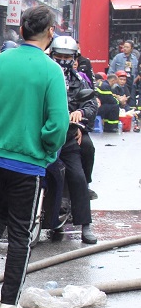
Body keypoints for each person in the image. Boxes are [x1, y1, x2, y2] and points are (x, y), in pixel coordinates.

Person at [0, 5, 70, 308]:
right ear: (50, 31)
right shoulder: (51, 70)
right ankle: (9, 304)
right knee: (21, 233)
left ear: (21, 30)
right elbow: (58, 124)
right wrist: (47, 150)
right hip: (28, 162)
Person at [43, 35, 98, 245]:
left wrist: (80, 115)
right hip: (43, 136)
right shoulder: (44, 76)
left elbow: (91, 104)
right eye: (60, 56)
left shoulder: (79, 80)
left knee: (78, 176)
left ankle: (85, 224)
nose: (63, 61)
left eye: (68, 57)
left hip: (68, 137)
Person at [109, 40, 139, 106]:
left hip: (131, 82)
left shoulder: (134, 59)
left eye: (127, 47)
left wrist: (135, 81)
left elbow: (137, 72)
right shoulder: (118, 57)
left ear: (132, 48)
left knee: (131, 101)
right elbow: (111, 70)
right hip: (119, 82)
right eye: (124, 47)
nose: (125, 49)